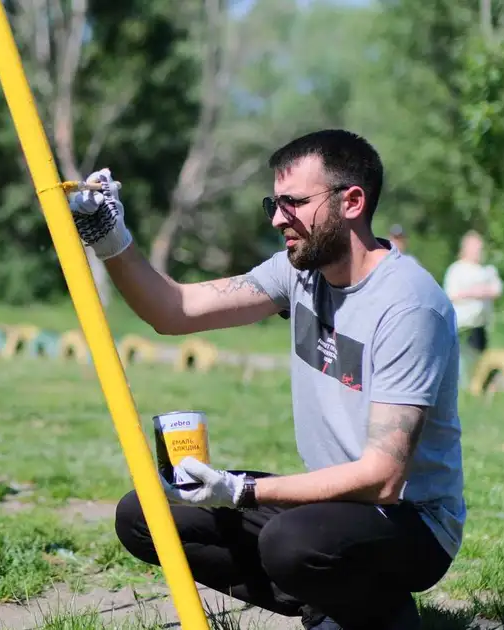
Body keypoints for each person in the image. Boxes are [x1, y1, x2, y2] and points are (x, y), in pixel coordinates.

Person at [68, 130, 465, 630]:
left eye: (294, 203)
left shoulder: (408, 304)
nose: (279, 219)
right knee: (144, 515)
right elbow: (175, 310)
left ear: (352, 202)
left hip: (412, 521)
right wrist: (110, 238)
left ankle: (378, 614)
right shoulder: (298, 273)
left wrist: (242, 491)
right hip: (328, 505)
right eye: (274, 204)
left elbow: (383, 479)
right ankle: (336, 605)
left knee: (290, 544)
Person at [442, 230, 503, 386]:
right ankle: (462, 388)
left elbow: (497, 289)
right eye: (476, 247)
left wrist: (483, 292)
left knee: (479, 360)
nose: (479, 251)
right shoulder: (457, 269)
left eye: (480, 248)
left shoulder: (488, 270)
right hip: (463, 325)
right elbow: (450, 294)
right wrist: (473, 292)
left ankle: (475, 389)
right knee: (462, 361)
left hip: (481, 324)